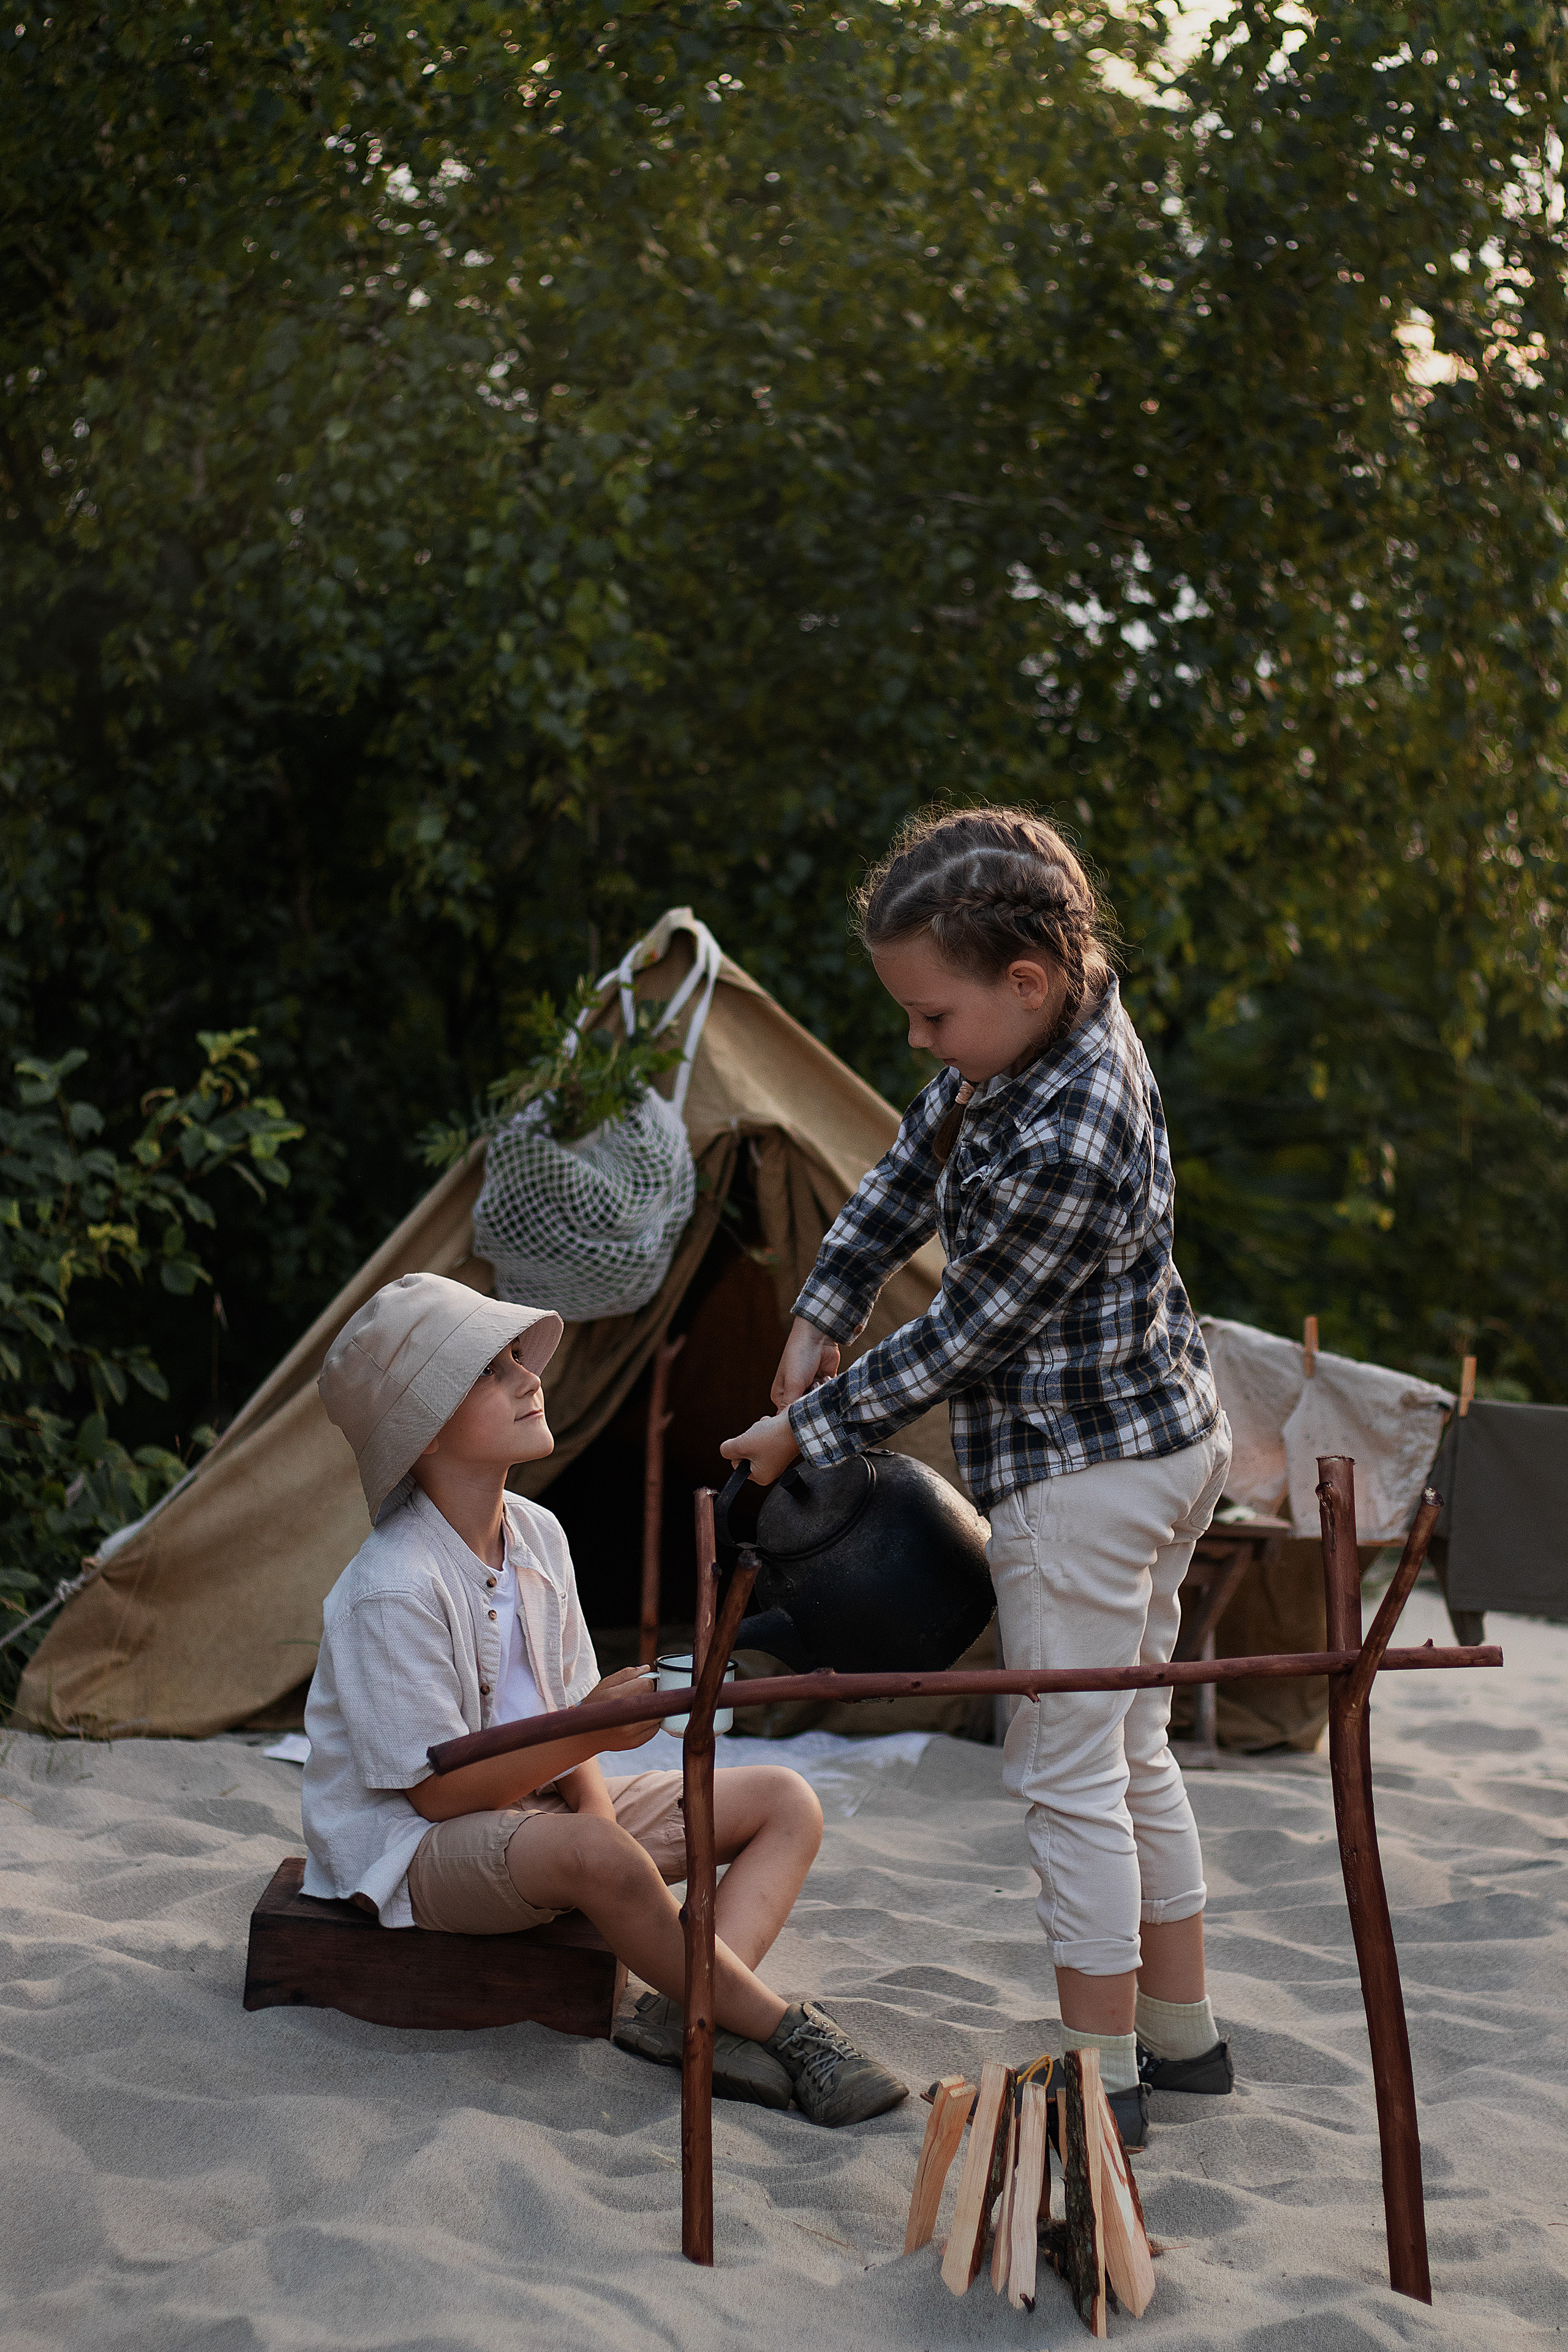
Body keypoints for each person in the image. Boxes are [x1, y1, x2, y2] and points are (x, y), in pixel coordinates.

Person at [721, 806, 1235, 2149]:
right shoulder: (1017, 1046)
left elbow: (969, 1330)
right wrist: (816, 1307)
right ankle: (1178, 2044)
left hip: (1098, 1474)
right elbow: (906, 1168)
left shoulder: (1076, 1124)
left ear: (1026, 980)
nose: (916, 1042)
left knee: (1065, 1771)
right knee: (1128, 1751)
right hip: (1159, 1441)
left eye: (930, 1016)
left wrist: (809, 1428)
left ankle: (1098, 2076)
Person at [304, 1270, 907, 2127]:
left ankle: (683, 2008)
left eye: (519, 1357)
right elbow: (432, 1792)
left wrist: (601, 1805)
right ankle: (783, 2030)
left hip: (540, 1817)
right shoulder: (394, 1585)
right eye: (490, 1370)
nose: (529, 1378)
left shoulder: (540, 1536)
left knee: (785, 1801)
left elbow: (574, 1729)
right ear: (422, 1432)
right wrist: (595, 1762)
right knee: (598, 1852)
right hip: (414, 1850)